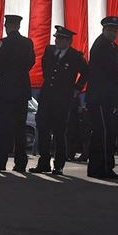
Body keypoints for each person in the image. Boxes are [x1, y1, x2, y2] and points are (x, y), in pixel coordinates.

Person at [31, 25, 88, 174]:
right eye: (56, 38)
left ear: (68, 41)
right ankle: (43, 163)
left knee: (59, 132)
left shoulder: (75, 56)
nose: (57, 41)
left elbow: (86, 72)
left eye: (61, 39)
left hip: (62, 99)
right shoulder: (49, 51)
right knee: (42, 129)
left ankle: (59, 165)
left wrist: (77, 87)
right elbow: (45, 68)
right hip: (46, 97)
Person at [0, 14, 36, 173]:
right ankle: (20, 163)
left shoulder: (3, 44)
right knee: (20, 129)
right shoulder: (27, 43)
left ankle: (1, 162)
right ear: (19, 26)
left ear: (8, 27)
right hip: (21, 89)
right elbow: (31, 62)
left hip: (6, 90)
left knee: (4, 128)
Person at [86, 15, 118, 180]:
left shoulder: (112, 47)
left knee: (107, 133)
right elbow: (111, 71)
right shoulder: (101, 46)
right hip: (100, 96)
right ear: (104, 30)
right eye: (110, 29)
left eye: (115, 30)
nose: (113, 32)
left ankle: (103, 167)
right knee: (102, 133)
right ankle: (101, 167)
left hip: (108, 96)